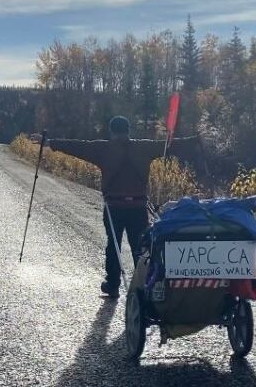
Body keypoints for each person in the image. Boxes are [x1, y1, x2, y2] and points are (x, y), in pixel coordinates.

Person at [33, 116, 199, 298]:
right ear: (128, 130)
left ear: (112, 131)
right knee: (140, 246)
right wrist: (195, 140)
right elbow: (170, 145)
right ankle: (144, 284)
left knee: (113, 244)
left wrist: (51, 143)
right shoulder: (144, 147)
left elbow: (78, 146)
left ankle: (112, 285)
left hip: (114, 207)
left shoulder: (103, 149)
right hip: (138, 206)